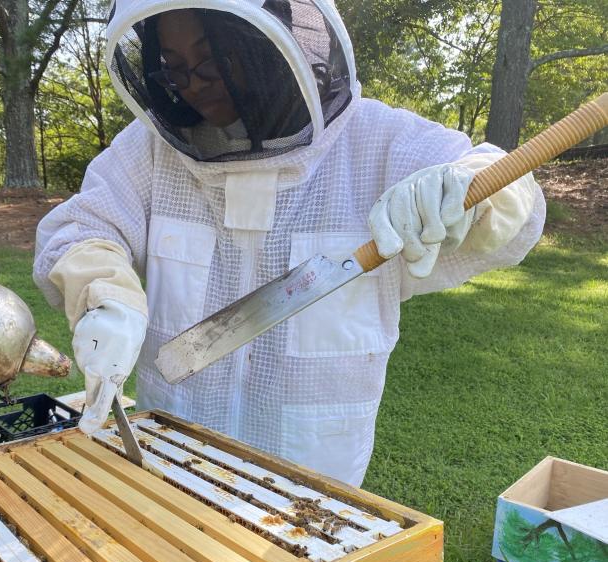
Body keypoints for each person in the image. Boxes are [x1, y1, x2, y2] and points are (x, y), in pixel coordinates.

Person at [34, 1, 544, 487]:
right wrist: (105, 294)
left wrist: (469, 194)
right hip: (173, 449)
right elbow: (80, 229)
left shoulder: (377, 139)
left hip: (313, 476)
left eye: (210, 58)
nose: (192, 86)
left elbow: (507, 188)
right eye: (174, 67)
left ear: (259, 39)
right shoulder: (150, 152)